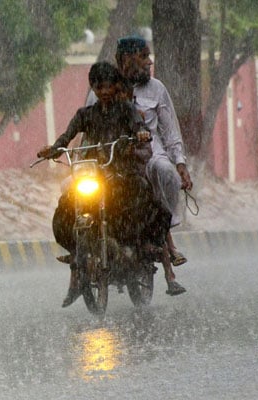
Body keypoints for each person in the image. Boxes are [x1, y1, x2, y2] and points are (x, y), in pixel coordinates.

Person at [37, 61, 170, 307]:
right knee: (66, 208)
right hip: (92, 174)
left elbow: (139, 126)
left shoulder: (127, 110)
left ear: (115, 86)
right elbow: (68, 136)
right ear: (94, 88)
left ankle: (136, 247)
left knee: (142, 201)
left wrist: (140, 133)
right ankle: (78, 253)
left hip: (122, 172)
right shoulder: (85, 115)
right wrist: (54, 149)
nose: (105, 91)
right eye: (99, 87)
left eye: (108, 86)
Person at [86, 36, 191, 296]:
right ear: (126, 60)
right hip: (110, 156)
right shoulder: (102, 88)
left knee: (164, 172)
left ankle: (162, 233)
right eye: (144, 57)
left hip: (149, 153)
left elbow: (170, 131)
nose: (149, 62)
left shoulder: (157, 89)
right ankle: (81, 246)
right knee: (74, 189)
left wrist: (180, 163)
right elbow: (85, 126)